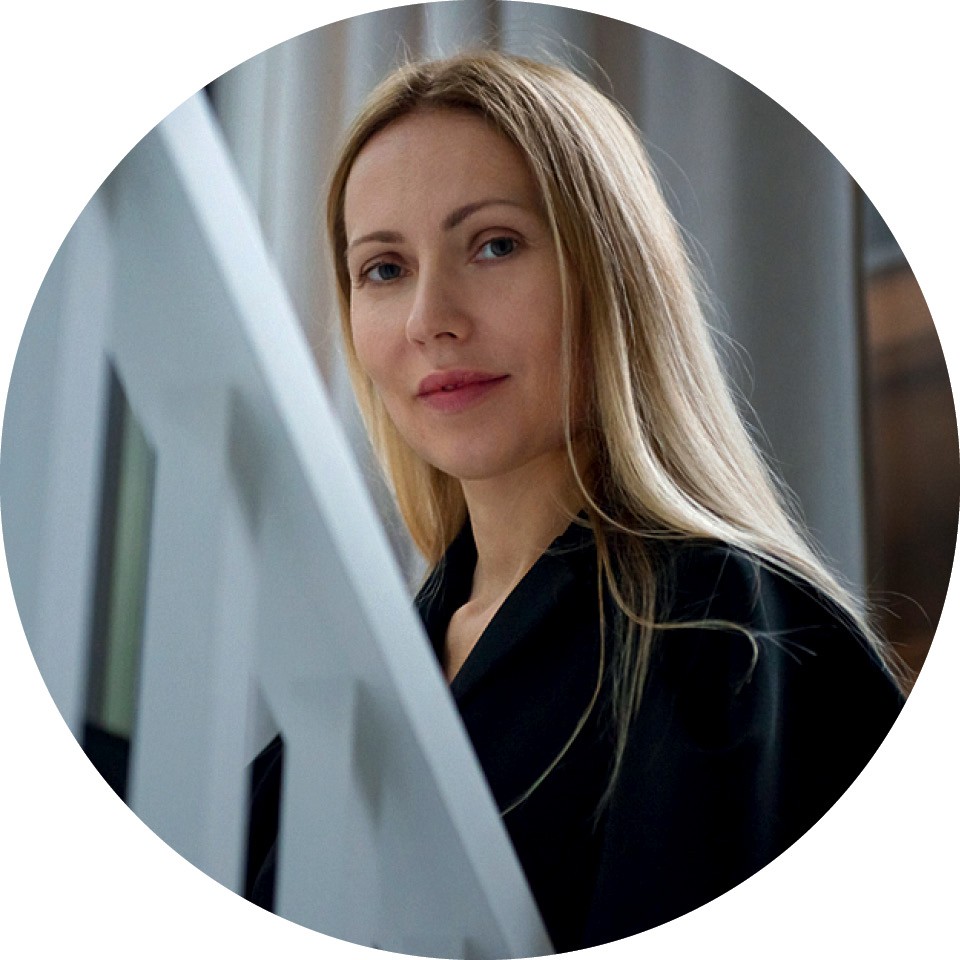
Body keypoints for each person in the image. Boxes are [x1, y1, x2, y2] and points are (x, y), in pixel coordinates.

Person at [246, 50, 904, 952]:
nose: (429, 318)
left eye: (495, 244)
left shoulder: (732, 634)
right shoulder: (364, 678)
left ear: (612, 272)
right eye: (384, 269)